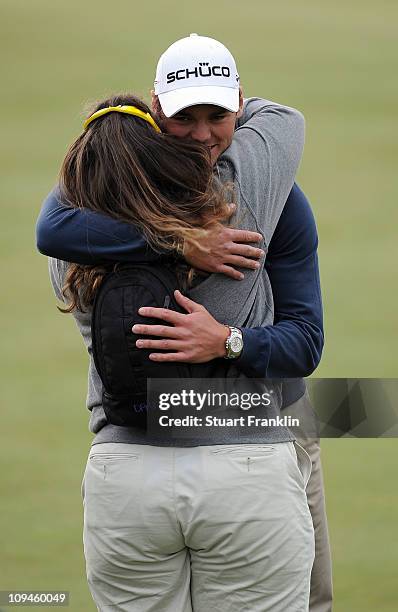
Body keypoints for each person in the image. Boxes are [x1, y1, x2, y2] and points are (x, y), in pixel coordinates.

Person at [37, 35, 330, 611]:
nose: (201, 135)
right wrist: (183, 242)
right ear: (155, 114)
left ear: (237, 106)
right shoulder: (256, 192)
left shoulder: (77, 230)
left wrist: (225, 337)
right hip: (252, 449)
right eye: (183, 117)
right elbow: (285, 120)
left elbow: (51, 226)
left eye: (216, 115)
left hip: (121, 467)